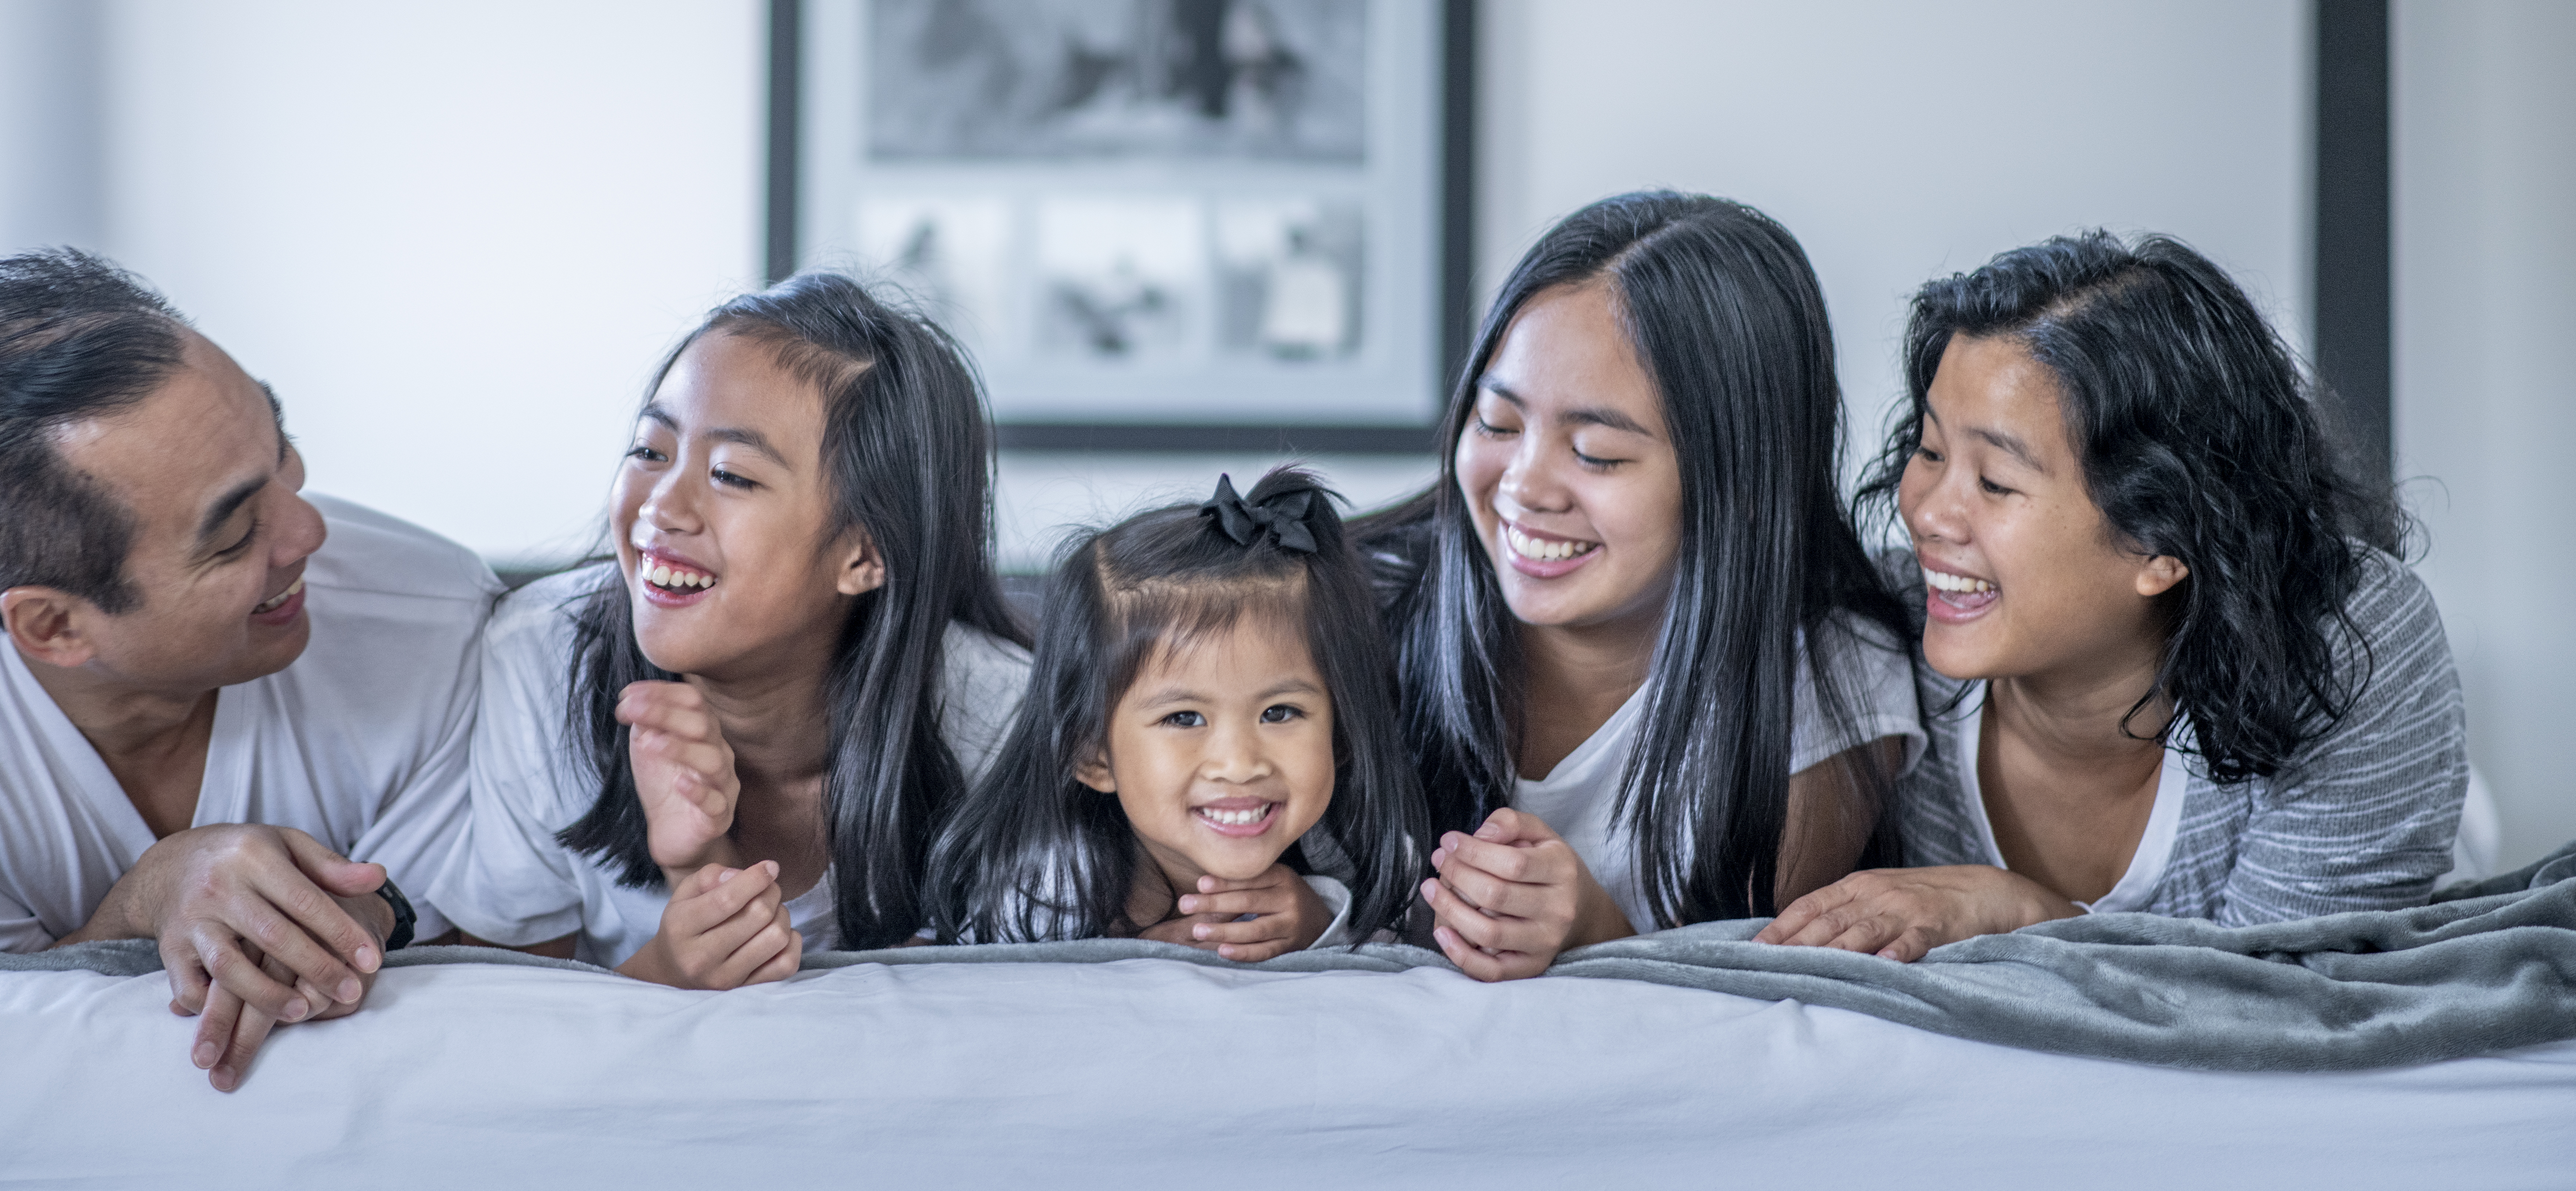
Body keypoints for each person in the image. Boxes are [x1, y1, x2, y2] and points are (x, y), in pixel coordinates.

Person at [0, 249, 499, 1091]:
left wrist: (367, 916)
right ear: (54, 625)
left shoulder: (438, 619)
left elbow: (495, 947)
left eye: (281, 452)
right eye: (237, 535)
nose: (308, 533)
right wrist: (144, 903)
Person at [1757, 233, 2467, 961]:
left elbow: (2277, 1014)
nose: (1929, 514)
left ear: (2164, 542)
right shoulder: (1874, 631)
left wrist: (2024, 912)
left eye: (1996, 482)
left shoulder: (2353, 646)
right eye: (1931, 452)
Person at [1355, 192, 1923, 981]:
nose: (1525, 487)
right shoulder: (1357, 605)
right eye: (1497, 423)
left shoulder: (1829, 674)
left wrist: (1596, 927)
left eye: (1595, 453)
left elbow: (1729, 980)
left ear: (1743, 483)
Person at [431, 272, 1030, 987]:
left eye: (730, 475)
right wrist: (665, 974)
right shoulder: (542, 659)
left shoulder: (1004, 723)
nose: (662, 506)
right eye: (651, 451)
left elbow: (984, 1037)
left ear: (867, 553)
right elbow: (499, 1026)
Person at [927, 469, 1426, 958]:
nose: (1239, 762)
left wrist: (1324, 926)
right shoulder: (1042, 888)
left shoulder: (1363, 847)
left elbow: (1412, 962)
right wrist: (1118, 961)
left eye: (1279, 712)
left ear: (1341, 730)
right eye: (1185, 718)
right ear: (1093, 753)